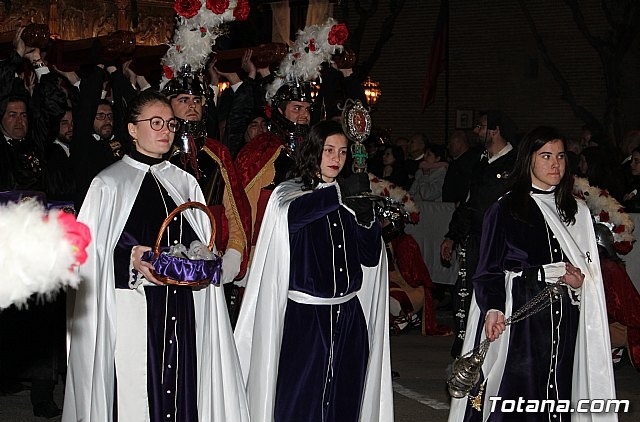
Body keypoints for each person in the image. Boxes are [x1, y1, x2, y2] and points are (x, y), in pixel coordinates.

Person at [62, 90, 249, 422]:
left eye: (171, 124)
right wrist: (130, 260)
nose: (166, 131)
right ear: (133, 130)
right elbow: (86, 257)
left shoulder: (183, 181)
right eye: (156, 123)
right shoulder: (108, 184)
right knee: (137, 396)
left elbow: (197, 237)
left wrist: (203, 256)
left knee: (182, 391)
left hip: (180, 306)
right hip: (134, 307)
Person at [448, 126, 616, 422]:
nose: (556, 165)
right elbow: (488, 270)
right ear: (528, 160)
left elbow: (588, 275)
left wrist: (579, 284)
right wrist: (494, 308)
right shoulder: (505, 209)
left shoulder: (575, 211)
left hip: (564, 323)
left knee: (558, 394)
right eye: (546, 156)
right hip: (522, 323)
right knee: (517, 398)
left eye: (561, 157)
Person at [234, 120, 393, 422]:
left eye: (343, 152)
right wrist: (338, 196)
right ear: (314, 151)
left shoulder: (350, 196)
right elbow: (291, 218)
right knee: (300, 398)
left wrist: (365, 219)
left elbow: (371, 258)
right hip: (306, 319)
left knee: (346, 396)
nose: (336, 159)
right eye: (329, 150)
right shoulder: (290, 194)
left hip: (348, 316)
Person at [162, 67, 252, 325]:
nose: (192, 106)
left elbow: (234, 208)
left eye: (197, 100)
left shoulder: (217, 152)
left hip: (210, 260)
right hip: (168, 260)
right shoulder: (158, 152)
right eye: (183, 100)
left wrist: (234, 252)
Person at [440, 110, 517, 358]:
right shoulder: (480, 163)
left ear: (495, 130)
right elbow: (469, 203)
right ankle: (468, 346)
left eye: (481, 126)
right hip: (475, 241)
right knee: (466, 293)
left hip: (504, 245)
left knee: (498, 296)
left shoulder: (516, 164)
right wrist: (452, 235)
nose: (476, 131)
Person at [442, 130, 480, 204]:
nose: (448, 146)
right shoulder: (456, 162)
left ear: (460, 143)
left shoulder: (471, 161)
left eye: (451, 143)